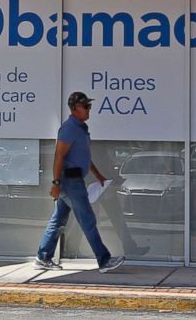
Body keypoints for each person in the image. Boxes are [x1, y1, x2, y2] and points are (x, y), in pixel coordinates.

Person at [33, 91, 124, 273]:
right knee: (87, 219)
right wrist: (56, 183)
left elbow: (84, 157)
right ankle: (104, 260)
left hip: (74, 179)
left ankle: (43, 257)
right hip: (70, 181)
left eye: (89, 106)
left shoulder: (81, 128)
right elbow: (59, 156)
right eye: (85, 106)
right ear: (74, 109)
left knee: (59, 218)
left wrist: (98, 176)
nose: (89, 110)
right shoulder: (69, 128)